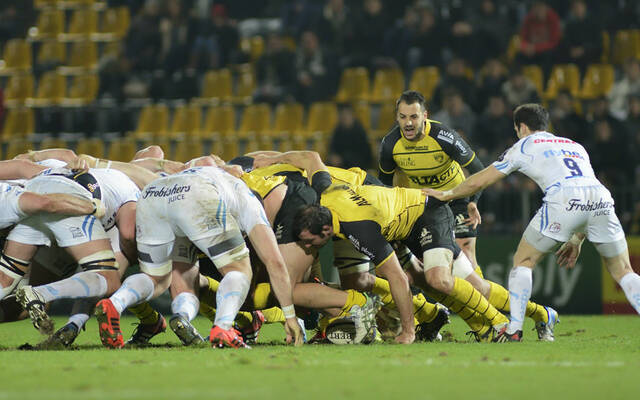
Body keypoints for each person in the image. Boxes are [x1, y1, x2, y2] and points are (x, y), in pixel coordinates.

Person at [425, 103, 640, 342]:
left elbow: (480, 180)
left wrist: (448, 194)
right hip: (600, 197)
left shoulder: (524, 145)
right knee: (624, 270)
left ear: (522, 127)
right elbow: (584, 190)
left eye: (517, 129)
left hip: (563, 198)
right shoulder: (574, 145)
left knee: (524, 260)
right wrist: (577, 238)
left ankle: (514, 328)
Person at [274, 152, 513, 344]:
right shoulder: (323, 193)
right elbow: (311, 157)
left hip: (427, 214)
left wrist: (408, 332)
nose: (307, 248)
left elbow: (397, 277)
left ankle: (500, 322)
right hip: (398, 221)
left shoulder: (358, 228)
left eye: (309, 242)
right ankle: (480, 324)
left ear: (326, 232)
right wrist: (273, 159)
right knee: (422, 280)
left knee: (439, 280)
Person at [94, 162, 304, 349]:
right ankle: (223, 328)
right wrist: (290, 316)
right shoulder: (250, 202)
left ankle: (115, 304)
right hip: (197, 192)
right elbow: (274, 262)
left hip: (154, 193)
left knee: (156, 278)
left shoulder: (219, 180)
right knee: (239, 269)